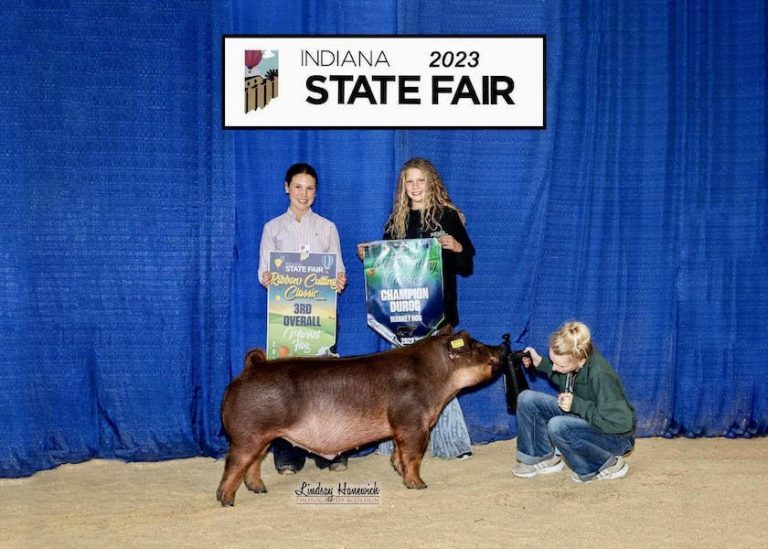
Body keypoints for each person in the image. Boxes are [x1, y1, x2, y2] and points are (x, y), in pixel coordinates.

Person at [358, 157, 476, 460]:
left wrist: (456, 247)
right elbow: (384, 266)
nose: (415, 187)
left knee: (442, 377)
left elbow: (466, 265)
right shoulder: (395, 222)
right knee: (399, 379)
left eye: (420, 180)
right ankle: (392, 441)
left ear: (431, 182)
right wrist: (368, 256)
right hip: (401, 314)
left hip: (438, 312)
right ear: (403, 186)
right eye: (409, 181)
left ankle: (452, 443)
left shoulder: (447, 217)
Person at [258, 162, 348, 475]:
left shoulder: (327, 228)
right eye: (298, 187)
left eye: (310, 188)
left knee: (324, 383)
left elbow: (339, 271)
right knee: (287, 385)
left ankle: (330, 450)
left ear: (316, 192)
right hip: (286, 319)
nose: (304, 194)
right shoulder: (272, 228)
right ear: (286, 188)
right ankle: (288, 452)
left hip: (320, 315)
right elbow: (263, 273)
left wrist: (338, 280)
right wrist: (268, 276)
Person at [512, 321, 636, 483]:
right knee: (527, 398)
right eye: (553, 361)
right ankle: (540, 457)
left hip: (616, 439)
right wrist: (540, 363)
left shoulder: (600, 375)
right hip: (585, 420)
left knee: (558, 425)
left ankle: (607, 464)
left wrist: (577, 405)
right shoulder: (575, 363)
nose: (554, 368)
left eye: (559, 364)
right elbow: (564, 376)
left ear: (581, 361)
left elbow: (622, 424)